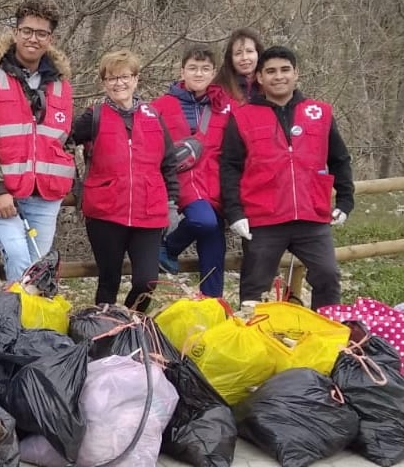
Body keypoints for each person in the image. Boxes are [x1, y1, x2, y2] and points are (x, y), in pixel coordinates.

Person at [220, 46, 354, 310]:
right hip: (263, 218)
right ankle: (257, 343)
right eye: (270, 71)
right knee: (254, 287)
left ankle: (323, 337)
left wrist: (346, 200)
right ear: (259, 77)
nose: (278, 76)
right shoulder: (242, 116)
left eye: (285, 70)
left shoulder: (320, 112)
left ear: (296, 73)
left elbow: (339, 159)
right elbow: (230, 167)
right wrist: (235, 213)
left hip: (311, 215)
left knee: (328, 276)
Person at [0, 0, 76, 284]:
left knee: (38, 268)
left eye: (41, 33)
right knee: (18, 258)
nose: (33, 38)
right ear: (15, 33)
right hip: (1, 191)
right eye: (27, 31)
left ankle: (25, 324)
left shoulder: (61, 86)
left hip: (45, 194)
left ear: (50, 39)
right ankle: (17, 325)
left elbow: (63, 138)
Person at [71, 51, 179, 312]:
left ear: (136, 79)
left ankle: (131, 323)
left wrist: (173, 203)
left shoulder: (153, 116)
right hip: (105, 212)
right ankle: (104, 331)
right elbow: (62, 143)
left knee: (147, 281)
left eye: (124, 76)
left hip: (149, 213)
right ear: (104, 83)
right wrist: (74, 184)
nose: (119, 83)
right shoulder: (93, 116)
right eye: (112, 78)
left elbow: (169, 162)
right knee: (108, 281)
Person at [151, 45, 232, 296]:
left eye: (205, 69)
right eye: (193, 68)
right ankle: (168, 248)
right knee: (203, 221)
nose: (199, 74)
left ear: (214, 72)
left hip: (216, 184)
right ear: (182, 71)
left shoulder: (224, 106)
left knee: (214, 254)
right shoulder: (162, 105)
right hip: (183, 181)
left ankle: (213, 309)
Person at [214, 28, 264, 104]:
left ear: (258, 54)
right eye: (238, 53)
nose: (244, 57)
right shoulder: (219, 89)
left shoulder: (268, 85)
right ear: (231, 58)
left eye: (249, 51)